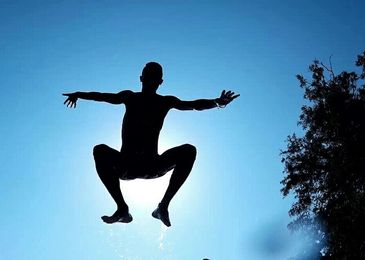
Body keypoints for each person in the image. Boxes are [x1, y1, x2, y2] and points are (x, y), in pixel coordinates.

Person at [63, 62, 239, 227]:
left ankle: (163, 207)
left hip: (152, 165)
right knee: (100, 150)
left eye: (155, 78)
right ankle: (122, 209)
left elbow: (193, 105)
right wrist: (79, 94)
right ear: (141, 78)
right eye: (148, 76)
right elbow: (102, 97)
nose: (151, 81)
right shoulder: (129, 97)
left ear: (160, 82)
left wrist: (217, 102)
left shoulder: (165, 102)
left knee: (189, 151)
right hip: (126, 164)